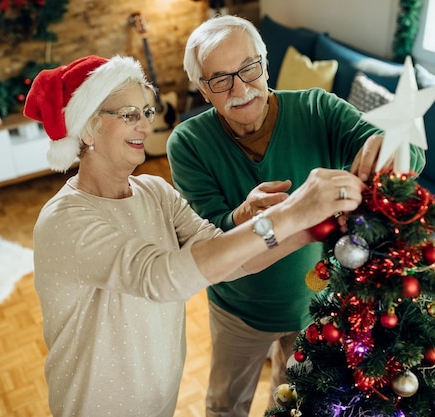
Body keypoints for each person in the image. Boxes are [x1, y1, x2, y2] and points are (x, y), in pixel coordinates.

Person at [23, 54, 367, 417]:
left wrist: (304, 232)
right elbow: (164, 278)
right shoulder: (64, 222)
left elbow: (228, 258)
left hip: (160, 401)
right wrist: (290, 213)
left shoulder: (155, 192)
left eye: (146, 112)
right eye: (129, 115)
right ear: (87, 128)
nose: (144, 125)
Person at [166, 15, 426, 417]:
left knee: (292, 402)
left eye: (249, 68)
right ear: (203, 88)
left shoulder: (318, 109)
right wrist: (240, 215)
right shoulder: (187, 143)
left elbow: (409, 155)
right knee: (225, 404)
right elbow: (205, 243)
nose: (241, 88)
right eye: (220, 79)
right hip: (238, 311)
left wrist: (387, 147)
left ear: (265, 63)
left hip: (314, 307)